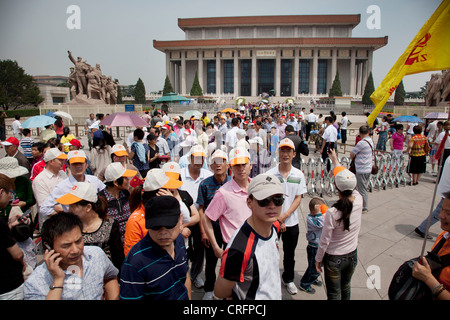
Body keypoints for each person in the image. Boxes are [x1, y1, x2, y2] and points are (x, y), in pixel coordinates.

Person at [214, 173, 284, 300]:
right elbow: (221, 292)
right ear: (249, 202)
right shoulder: (239, 249)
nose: (272, 206)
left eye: (278, 200)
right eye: (264, 201)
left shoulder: (274, 226)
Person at [24, 212, 120, 300]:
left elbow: (110, 277)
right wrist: (58, 281)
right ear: (48, 246)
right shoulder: (35, 283)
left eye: (79, 241)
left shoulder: (96, 255)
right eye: (66, 246)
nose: (75, 250)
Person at [119, 196, 192, 300]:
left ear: (180, 220)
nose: (163, 232)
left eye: (169, 225)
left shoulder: (179, 241)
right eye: (156, 227)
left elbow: (184, 277)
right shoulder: (135, 262)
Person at [315, 149, 363, 300]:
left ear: (336, 187)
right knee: (346, 287)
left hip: (334, 258)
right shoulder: (359, 199)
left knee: (334, 294)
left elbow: (324, 240)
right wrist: (336, 160)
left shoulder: (333, 212)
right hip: (352, 255)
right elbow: (345, 176)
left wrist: (318, 259)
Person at [266, 138, 307, 295]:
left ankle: (288, 279)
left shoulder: (298, 174)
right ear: (278, 152)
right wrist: (277, 218)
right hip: (272, 222)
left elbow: (298, 198)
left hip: (291, 222)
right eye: (282, 150)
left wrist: (284, 216)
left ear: (294, 154)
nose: (285, 154)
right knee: (270, 253)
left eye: (288, 151)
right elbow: (267, 197)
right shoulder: (270, 174)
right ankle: (269, 279)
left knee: (290, 254)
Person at [56, 182, 124, 271]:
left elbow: (118, 259)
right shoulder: (68, 227)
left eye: (73, 206)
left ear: (88, 207)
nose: (69, 210)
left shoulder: (110, 225)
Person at [123, 168, 189, 257]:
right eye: (169, 190)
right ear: (161, 193)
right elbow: (131, 255)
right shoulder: (135, 221)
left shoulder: (168, 211)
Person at [203, 147, 252, 259]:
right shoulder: (223, 193)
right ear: (231, 167)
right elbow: (206, 218)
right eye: (237, 165)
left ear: (251, 165)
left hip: (256, 244)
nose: (241, 169)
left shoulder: (256, 186)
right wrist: (215, 247)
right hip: (234, 248)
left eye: (244, 164)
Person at [39, 150, 106, 228]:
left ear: (86, 164)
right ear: (69, 166)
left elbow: (107, 194)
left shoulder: (94, 180)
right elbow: (44, 208)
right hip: (75, 227)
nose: (78, 166)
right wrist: (64, 217)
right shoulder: (62, 186)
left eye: (80, 163)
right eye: (74, 164)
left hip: (94, 224)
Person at [196, 149, 231, 300]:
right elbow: (201, 210)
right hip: (212, 228)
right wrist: (203, 232)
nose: (218, 165)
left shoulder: (233, 183)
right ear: (210, 166)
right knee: (210, 261)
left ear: (227, 164)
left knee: (231, 261)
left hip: (230, 228)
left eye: (221, 161)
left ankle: (230, 289)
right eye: (215, 162)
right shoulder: (204, 185)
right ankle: (209, 289)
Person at [179, 144, 213, 289]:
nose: (198, 161)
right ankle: (182, 274)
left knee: (200, 249)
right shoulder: (180, 175)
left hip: (200, 219)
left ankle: (195, 274)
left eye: (201, 158)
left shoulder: (208, 176)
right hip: (182, 220)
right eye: (196, 158)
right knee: (182, 249)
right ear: (189, 158)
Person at [412, 191, 450, 300]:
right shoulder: (443, 236)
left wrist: (428, 279)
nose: (440, 215)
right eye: (442, 209)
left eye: (448, 213)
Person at [0, 174, 26, 300]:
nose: (11, 197)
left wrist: (11, 225)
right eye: (10, 192)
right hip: (8, 287)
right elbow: (17, 254)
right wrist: (23, 261)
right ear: (1, 192)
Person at [98, 162, 136, 244]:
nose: (128, 180)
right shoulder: (101, 199)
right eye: (125, 178)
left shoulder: (126, 194)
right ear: (115, 182)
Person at [415, 154, 450, 239]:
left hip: (446, 189)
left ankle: (422, 228)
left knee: (441, 211)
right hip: (448, 192)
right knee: (442, 213)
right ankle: (422, 228)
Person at [32, 148, 68, 223]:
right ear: (51, 161)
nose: (63, 162)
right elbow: (45, 206)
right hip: (51, 223)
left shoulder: (62, 174)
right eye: (60, 160)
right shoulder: (40, 180)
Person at [299, 198, 327, 294]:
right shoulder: (311, 219)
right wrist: (319, 213)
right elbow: (320, 225)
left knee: (317, 266)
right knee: (313, 267)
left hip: (319, 246)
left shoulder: (319, 217)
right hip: (313, 247)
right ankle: (305, 283)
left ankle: (313, 278)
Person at [350, 125, 373, 214]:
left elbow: (352, 153)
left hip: (362, 169)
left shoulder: (361, 143)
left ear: (359, 132)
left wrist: (353, 160)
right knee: (362, 187)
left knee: (362, 189)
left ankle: (364, 207)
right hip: (368, 167)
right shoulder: (370, 141)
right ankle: (359, 203)